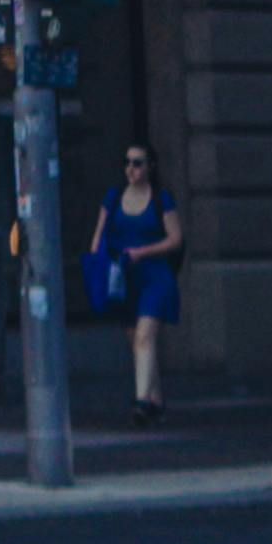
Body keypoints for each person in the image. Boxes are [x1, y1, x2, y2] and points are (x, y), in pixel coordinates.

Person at [91, 141, 186, 413]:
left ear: (150, 167)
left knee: (145, 335)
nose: (130, 169)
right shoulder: (113, 196)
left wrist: (142, 252)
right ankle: (156, 399)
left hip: (155, 276)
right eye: (127, 162)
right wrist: (102, 261)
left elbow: (175, 239)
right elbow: (97, 238)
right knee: (137, 341)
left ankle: (141, 401)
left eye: (137, 163)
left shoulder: (160, 198)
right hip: (124, 279)